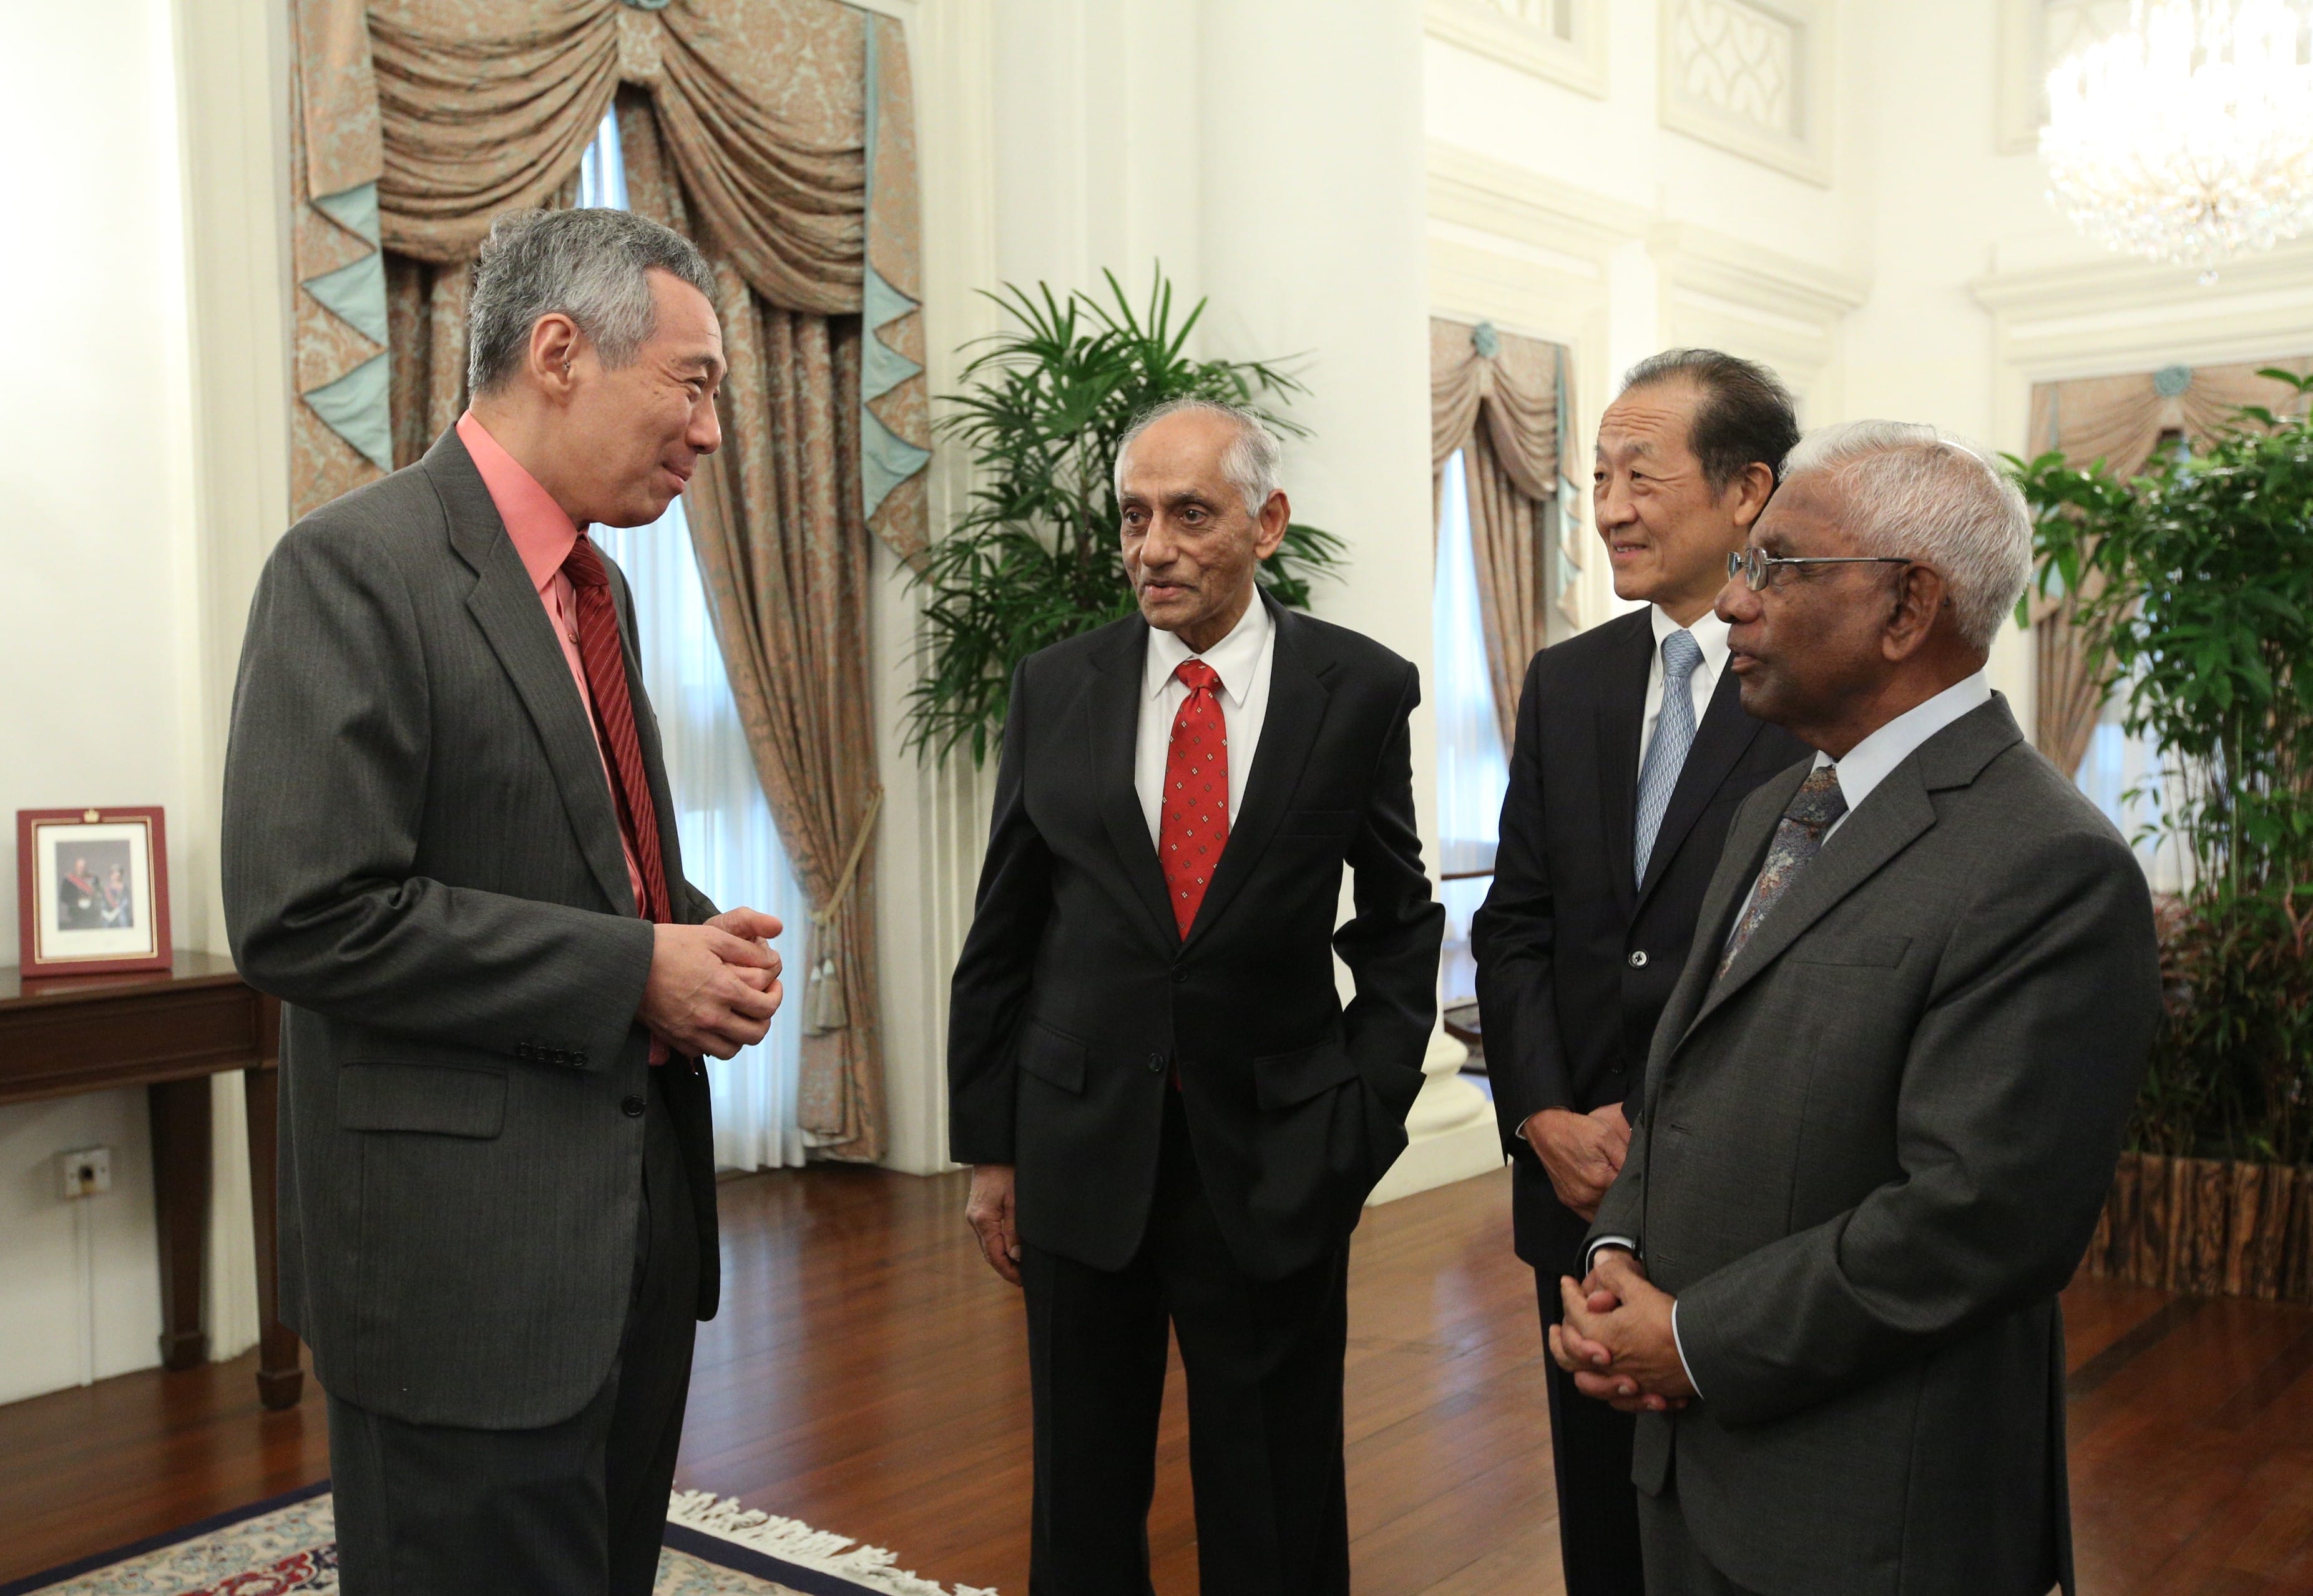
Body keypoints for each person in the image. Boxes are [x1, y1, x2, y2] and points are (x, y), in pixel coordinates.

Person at [223, 208, 786, 1596]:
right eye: (695, 381)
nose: (711, 432)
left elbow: (571, 854)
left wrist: (686, 930)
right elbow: (306, 911)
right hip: (458, 1277)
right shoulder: (351, 566)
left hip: (624, 1247)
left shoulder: (601, 590)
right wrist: (632, 971)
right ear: (557, 352)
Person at [1552, 421, 2161, 1595]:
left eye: (1774, 564)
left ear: (1905, 607)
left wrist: (1688, 1340)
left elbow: (1975, 1220)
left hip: (1869, 1512)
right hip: (1691, 1469)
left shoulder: (2046, 863)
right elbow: (1683, 1070)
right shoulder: (1778, 801)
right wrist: (1619, 1248)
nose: (1733, 600)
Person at [947, 398, 1444, 1595]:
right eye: (1131, 516)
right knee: (1080, 1487)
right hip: (1077, 1146)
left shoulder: (1360, 689)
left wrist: (1361, 1115)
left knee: (1273, 1491)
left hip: (1274, 1150)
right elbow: (1004, 928)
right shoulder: (1055, 685)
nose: (1151, 547)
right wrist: (989, 1147)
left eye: (1188, 514)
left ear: (1266, 523)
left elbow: (1397, 921)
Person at [1469, 349, 1809, 1595]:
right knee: (1601, 1525)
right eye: (1596, 474)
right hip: (1570, 1184)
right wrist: (1539, 1114)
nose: (1607, 504)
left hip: (1744, 1203)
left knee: (1740, 1528)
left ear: (1747, 491)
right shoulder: (1567, 680)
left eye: (1638, 474)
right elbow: (1518, 921)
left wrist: (1662, 1136)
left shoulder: (1816, 688)